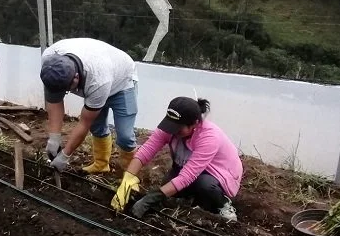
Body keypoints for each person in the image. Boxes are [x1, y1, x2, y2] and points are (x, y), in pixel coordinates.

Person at [111, 97, 243, 222]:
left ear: (195, 124)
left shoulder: (209, 137)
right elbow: (146, 150)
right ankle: (193, 198)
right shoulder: (171, 125)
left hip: (219, 172)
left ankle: (224, 204)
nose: (173, 131)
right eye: (171, 126)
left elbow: (188, 176)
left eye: (178, 128)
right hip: (188, 166)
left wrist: (150, 199)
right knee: (167, 184)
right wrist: (127, 180)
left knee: (204, 185)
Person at [40, 38, 138, 174]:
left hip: (122, 81)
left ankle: (130, 174)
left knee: (125, 136)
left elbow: (84, 122)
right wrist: (54, 138)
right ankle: (101, 165)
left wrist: (65, 155)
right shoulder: (50, 62)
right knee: (97, 127)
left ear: (76, 77)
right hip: (101, 71)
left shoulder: (97, 81)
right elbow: (55, 102)